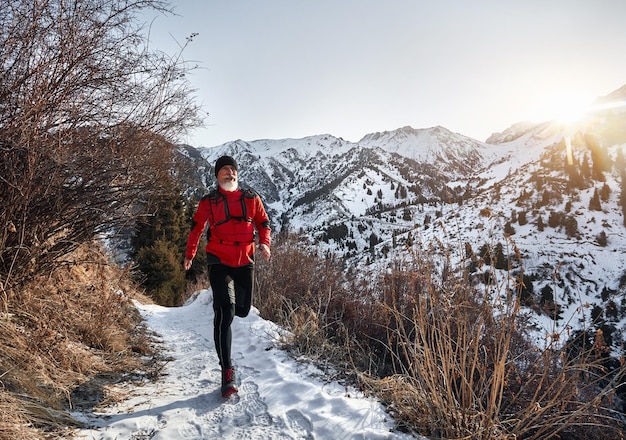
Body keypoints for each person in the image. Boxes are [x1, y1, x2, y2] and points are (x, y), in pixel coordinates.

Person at [183, 155, 271, 397]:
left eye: (233, 169)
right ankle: (227, 371)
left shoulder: (251, 199)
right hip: (218, 259)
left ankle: (229, 318)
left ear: (237, 174)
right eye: (224, 170)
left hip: (245, 260)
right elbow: (197, 228)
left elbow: (263, 222)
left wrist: (265, 243)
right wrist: (190, 254)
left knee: (242, 309)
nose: (230, 173)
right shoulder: (208, 202)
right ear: (217, 176)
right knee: (225, 312)